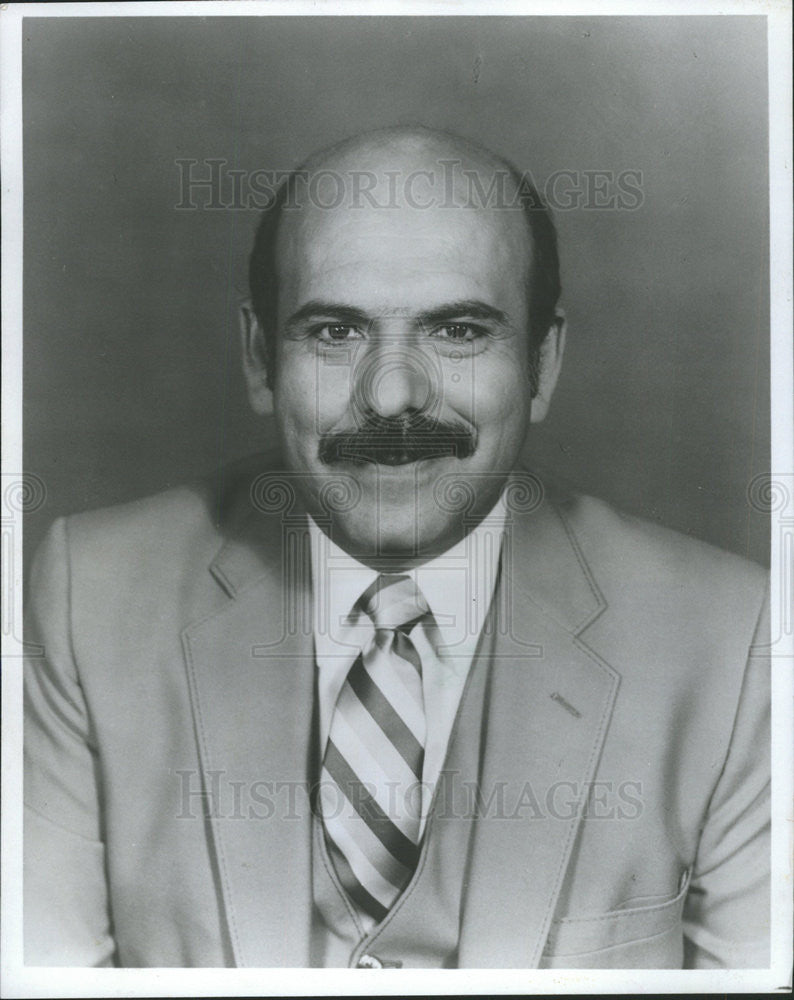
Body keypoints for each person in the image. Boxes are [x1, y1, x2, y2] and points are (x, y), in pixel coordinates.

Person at [24, 126, 770, 969]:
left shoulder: (731, 641)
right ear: (261, 357)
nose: (392, 395)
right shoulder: (91, 596)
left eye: (457, 331)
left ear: (543, 362)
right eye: (335, 333)